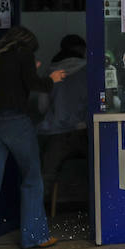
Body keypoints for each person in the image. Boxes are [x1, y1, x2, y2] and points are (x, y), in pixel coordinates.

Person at [0, 27, 66, 249]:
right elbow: (32, 85)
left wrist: (29, 71)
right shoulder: (24, 54)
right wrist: (52, 79)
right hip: (16, 122)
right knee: (32, 178)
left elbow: (7, 84)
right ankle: (35, 236)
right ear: (27, 43)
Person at [37, 34, 90, 201]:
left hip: (56, 133)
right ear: (81, 49)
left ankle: (42, 214)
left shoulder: (50, 71)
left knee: (47, 175)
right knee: (99, 169)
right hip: (83, 132)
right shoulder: (89, 70)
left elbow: (42, 107)